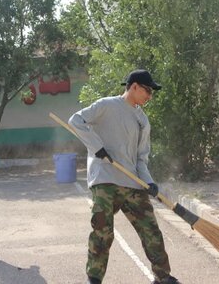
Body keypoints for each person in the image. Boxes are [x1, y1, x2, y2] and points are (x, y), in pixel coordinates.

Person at [68, 69, 180, 284]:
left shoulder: (142, 120)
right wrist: (97, 147)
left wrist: (149, 181)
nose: (150, 96)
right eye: (148, 90)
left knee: (151, 231)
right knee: (103, 232)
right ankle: (94, 279)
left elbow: (141, 157)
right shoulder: (106, 105)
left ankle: (162, 277)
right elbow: (76, 120)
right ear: (134, 86)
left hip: (132, 183)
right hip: (104, 179)